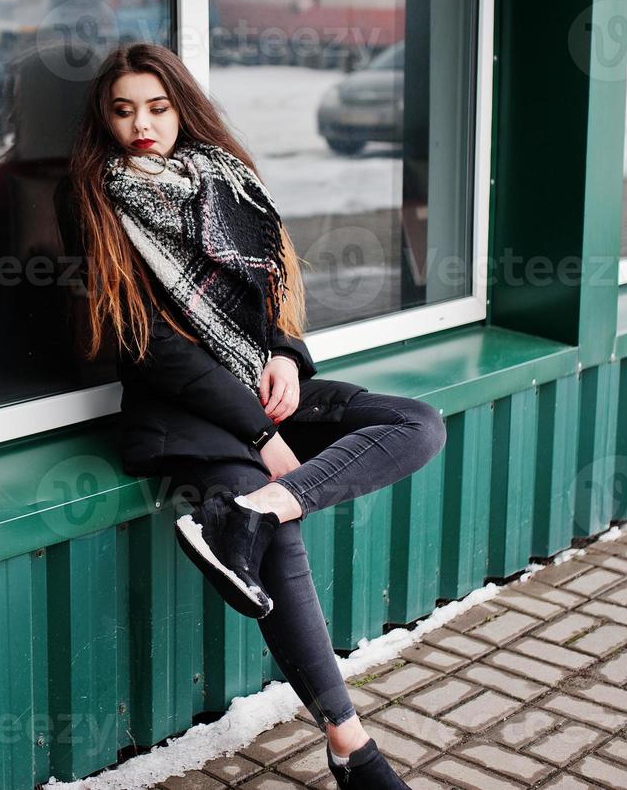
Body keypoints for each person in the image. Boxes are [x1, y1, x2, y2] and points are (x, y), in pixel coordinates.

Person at [56, 43, 447, 789]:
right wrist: (262, 434)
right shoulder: (96, 201)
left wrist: (286, 357)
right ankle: (350, 747)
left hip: (263, 388)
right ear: (103, 118)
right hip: (187, 412)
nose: (142, 123)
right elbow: (145, 348)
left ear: (181, 106)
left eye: (157, 106)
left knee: (417, 424)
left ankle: (253, 513)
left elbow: (269, 297)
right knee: (285, 546)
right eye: (123, 109)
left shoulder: (226, 180)